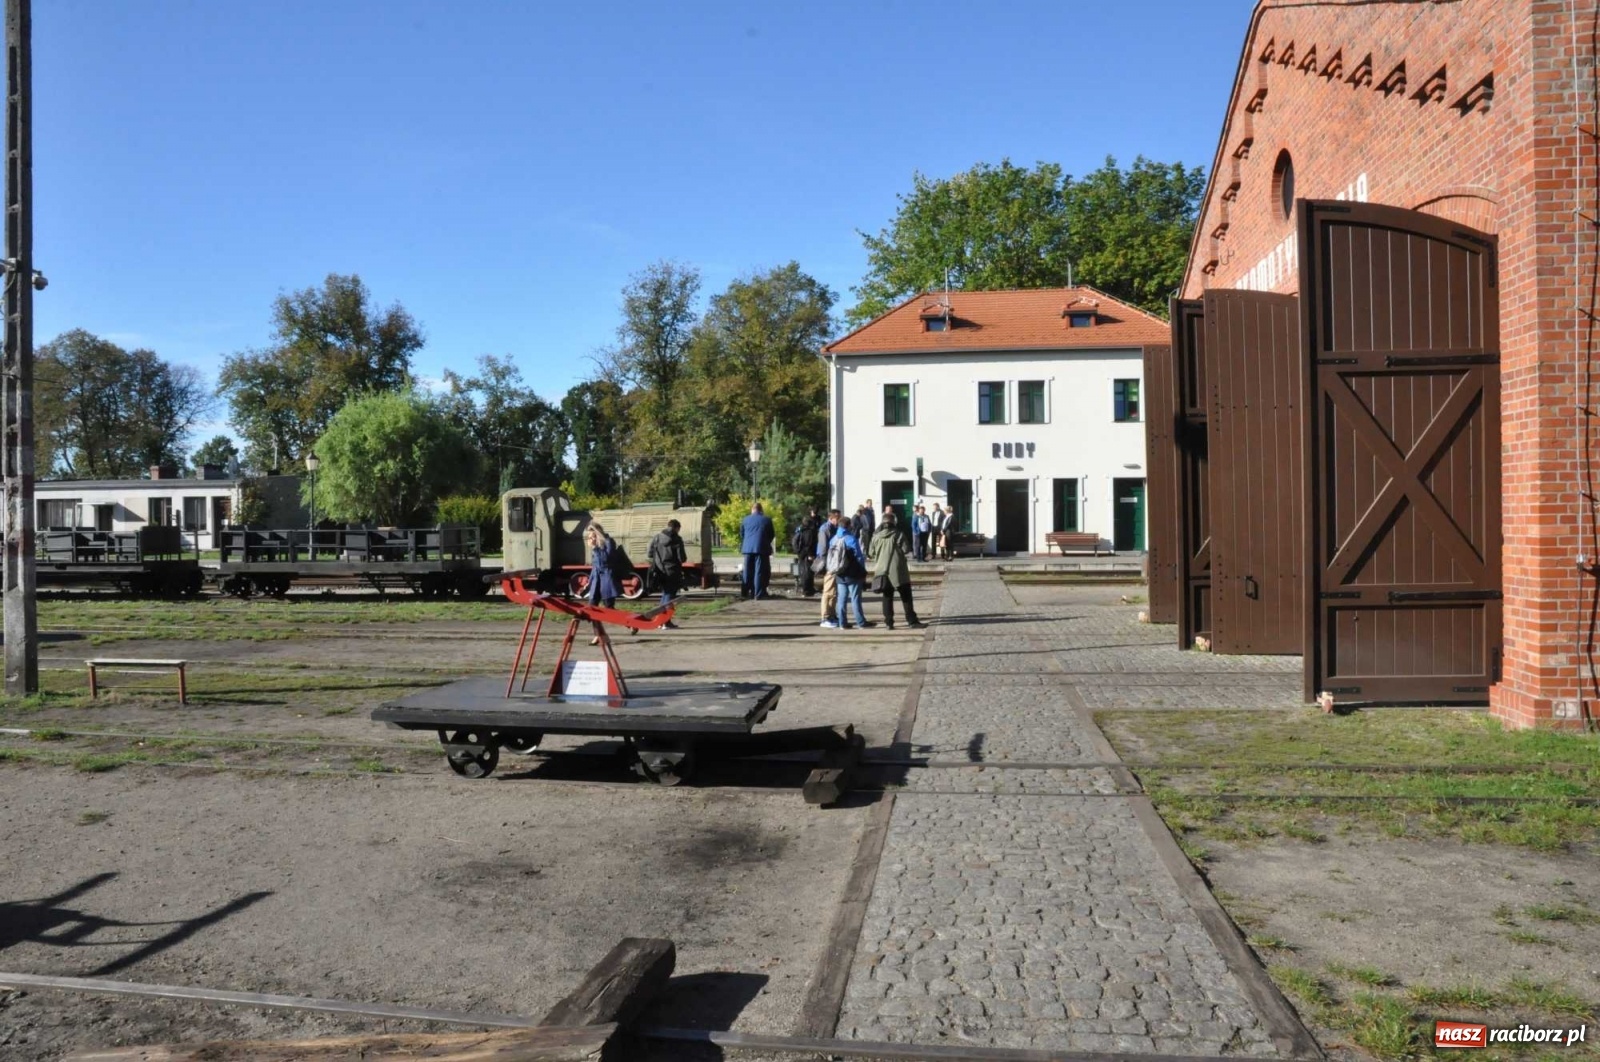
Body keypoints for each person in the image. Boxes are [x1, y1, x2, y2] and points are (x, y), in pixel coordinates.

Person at [868, 509, 922, 630]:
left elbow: (871, 553)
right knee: (906, 596)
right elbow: (906, 549)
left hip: (882, 570)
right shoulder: (898, 534)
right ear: (894, 522)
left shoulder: (875, 536)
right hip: (898, 569)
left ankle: (889, 623)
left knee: (887, 596)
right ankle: (911, 621)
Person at [826, 514, 869, 630]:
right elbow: (859, 557)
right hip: (853, 573)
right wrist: (863, 570)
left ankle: (842, 623)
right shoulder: (851, 539)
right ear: (849, 526)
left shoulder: (833, 539)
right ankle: (860, 622)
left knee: (841, 599)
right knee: (855, 598)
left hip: (839, 572)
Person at [647, 518, 686, 628]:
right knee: (670, 595)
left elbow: (649, 553)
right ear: (676, 528)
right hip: (672, 570)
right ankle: (665, 621)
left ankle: (660, 620)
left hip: (659, 570)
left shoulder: (657, 537)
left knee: (665, 594)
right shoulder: (677, 539)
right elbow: (682, 558)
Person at [585, 523, 620, 645]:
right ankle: (599, 635)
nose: (591, 539)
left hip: (606, 579)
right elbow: (595, 566)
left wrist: (595, 548)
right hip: (596, 580)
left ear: (598, 533)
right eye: (589, 537)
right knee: (591, 608)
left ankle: (630, 624)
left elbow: (605, 561)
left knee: (609, 609)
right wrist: (589, 582)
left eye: (593, 536)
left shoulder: (609, 542)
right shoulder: (595, 548)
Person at [740, 501, 776, 600]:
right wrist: (765, 542)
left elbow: (742, 534)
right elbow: (771, 534)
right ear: (761, 510)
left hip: (748, 548)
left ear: (752, 510)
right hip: (761, 548)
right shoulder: (767, 520)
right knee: (759, 571)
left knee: (747, 570)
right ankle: (758, 593)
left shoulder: (745, 519)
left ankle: (745, 592)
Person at [817, 509, 841, 626]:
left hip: (834, 563)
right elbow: (823, 548)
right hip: (829, 564)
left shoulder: (835, 528)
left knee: (833, 592)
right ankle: (825, 617)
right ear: (831, 518)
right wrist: (827, 564)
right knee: (828, 591)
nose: (839, 520)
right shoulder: (824, 529)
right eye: (837, 518)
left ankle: (832, 615)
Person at [793, 507, 820, 597]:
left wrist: (798, 551)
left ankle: (808, 589)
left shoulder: (800, 530)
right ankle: (807, 590)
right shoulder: (809, 532)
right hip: (807, 554)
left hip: (802, 553)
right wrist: (810, 554)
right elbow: (809, 544)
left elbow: (795, 541)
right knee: (807, 572)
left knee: (804, 571)